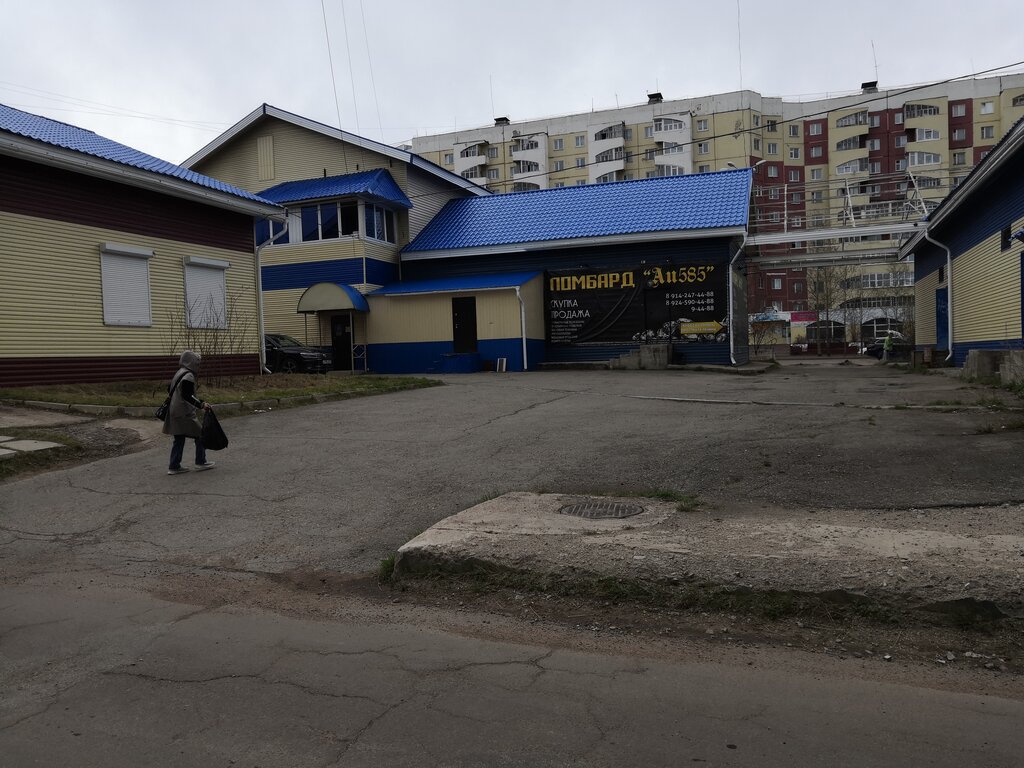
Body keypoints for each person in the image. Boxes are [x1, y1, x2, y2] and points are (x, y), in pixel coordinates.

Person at [162, 350, 214, 475]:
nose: (198, 365)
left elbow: (170, 389)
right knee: (200, 435)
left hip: (175, 410)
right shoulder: (188, 376)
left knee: (179, 438)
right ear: (191, 362)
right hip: (184, 412)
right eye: (197, 363)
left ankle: (174, 466)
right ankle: (200, 462)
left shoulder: (180, 372)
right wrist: (201, 404)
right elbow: (188, 395)